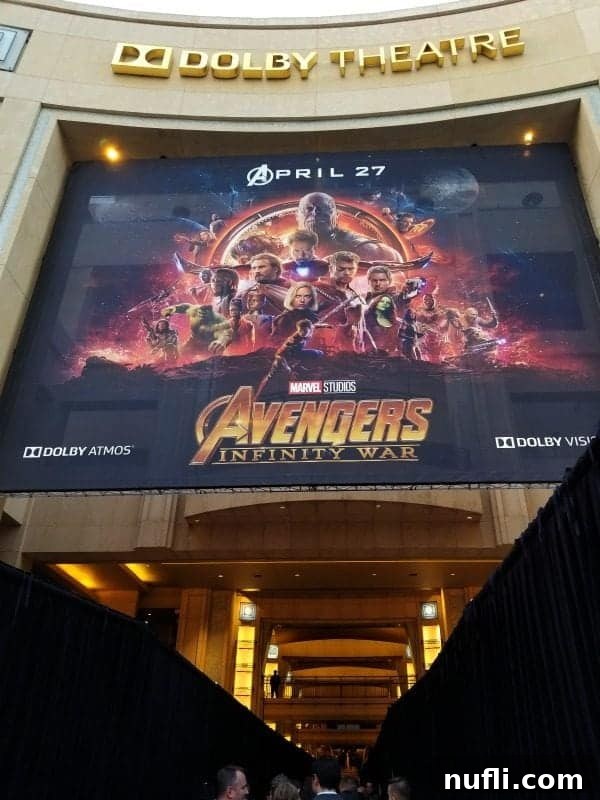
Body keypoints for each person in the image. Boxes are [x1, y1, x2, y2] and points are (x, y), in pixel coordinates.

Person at [297, 192, 402, 261]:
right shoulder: (284, 251)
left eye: (323, 208)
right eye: (309, 209)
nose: (315, 214)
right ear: (298, 217)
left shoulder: (368, 249)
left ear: (336, 215)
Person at [160, 303, 232, 356]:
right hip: (193, 341)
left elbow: (227, 331)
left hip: (210, 346)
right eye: (201, 314)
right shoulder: (193, 311)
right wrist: (172, 309)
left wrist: (222, 341)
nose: (203, 317)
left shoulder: (218, 319)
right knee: (181, 355)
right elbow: (184, 307)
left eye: (206, 316)